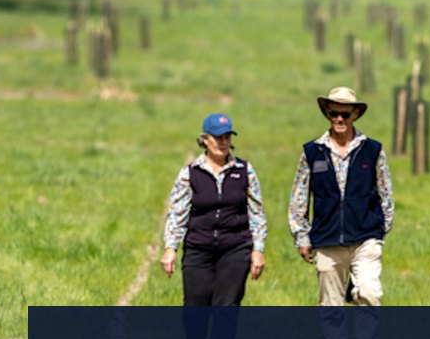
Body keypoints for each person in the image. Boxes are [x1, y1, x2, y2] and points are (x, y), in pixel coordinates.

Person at [288, 87, 394, 307]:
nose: (339, 119)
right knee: (330, 306)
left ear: (355, 114)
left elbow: (385, 192)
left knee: (369, 294)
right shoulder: (312, 152)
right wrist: (301, 236)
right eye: (334, 113)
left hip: (366, 236)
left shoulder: (372, 150)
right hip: (327, 237)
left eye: (345, 114)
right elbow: (300, 195)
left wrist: (382, 227)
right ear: (327, 113)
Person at [161, 113, 268, 306]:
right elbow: (177, 214)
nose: (223, 142)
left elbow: (256, 213)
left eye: (227, 137)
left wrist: (258, 250)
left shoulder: (244, 170)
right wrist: (171, 248)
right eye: (218, 137)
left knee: (227, 308)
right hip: (198, 248)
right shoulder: (191, 172)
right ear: (204, 139)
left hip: (235, 248)